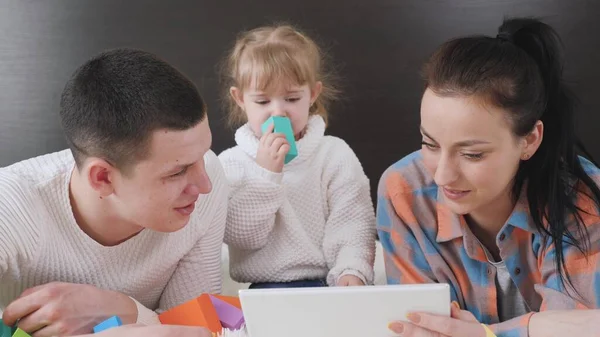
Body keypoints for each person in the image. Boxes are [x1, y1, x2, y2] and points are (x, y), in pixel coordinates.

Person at [376, 17, 600, 337]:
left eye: (472, 154)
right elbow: (420, 325)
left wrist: (485, 334)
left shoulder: (583, 197)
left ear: (529, 140)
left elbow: (586, 327)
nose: (442, 175)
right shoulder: (403, 191)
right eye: (430, 144)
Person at [0, 48, 228, 336]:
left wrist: (119, 308)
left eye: (204, 154)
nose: (204, 185)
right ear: (103, 177)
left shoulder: (207, 181)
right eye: (176, 172)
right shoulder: (11, 204)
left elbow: (196, 330)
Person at [218, 24, 376, 288]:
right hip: (265, 289)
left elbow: (354, 221)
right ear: (240, 99)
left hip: (330, 282)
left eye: (291, 99)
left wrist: (352, 270)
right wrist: (266, 175)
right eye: (262, 101)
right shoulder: (232, 163)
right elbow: (241, 237)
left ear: (312, 94)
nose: (278, 112)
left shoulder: (333, 154)